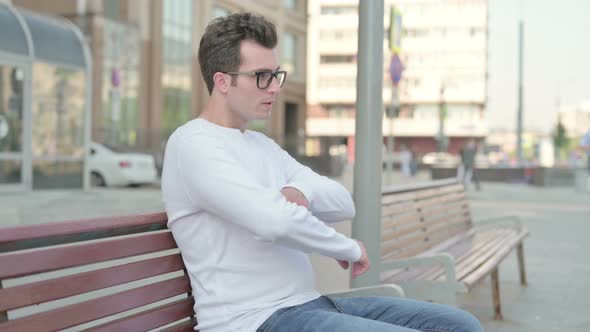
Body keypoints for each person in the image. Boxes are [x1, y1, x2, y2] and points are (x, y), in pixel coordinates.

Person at [162, 13, 483, 332]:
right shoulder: (194, 145)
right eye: (261, 76)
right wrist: (348, 248)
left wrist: (301, 192)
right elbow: (275, 221)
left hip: (308, 305)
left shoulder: (262, 145)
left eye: (276, 75)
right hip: (253, 320)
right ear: (222, 81)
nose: (274, 87)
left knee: (459, 324)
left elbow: (343, 202)